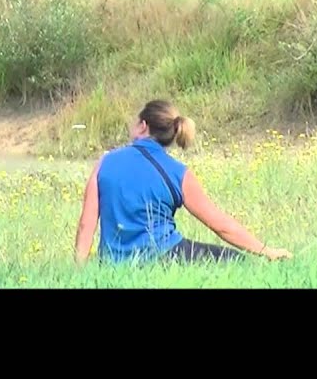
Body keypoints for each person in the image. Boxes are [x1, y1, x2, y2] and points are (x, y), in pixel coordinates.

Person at [73, 99, 293, 266]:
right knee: (240, 262)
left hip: (114, 262)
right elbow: (220, 224)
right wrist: (266, 251)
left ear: (143, 126)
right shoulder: (178, 173)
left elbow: (86, 225)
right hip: (166, 255)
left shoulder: (105, 162)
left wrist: (79, 271)